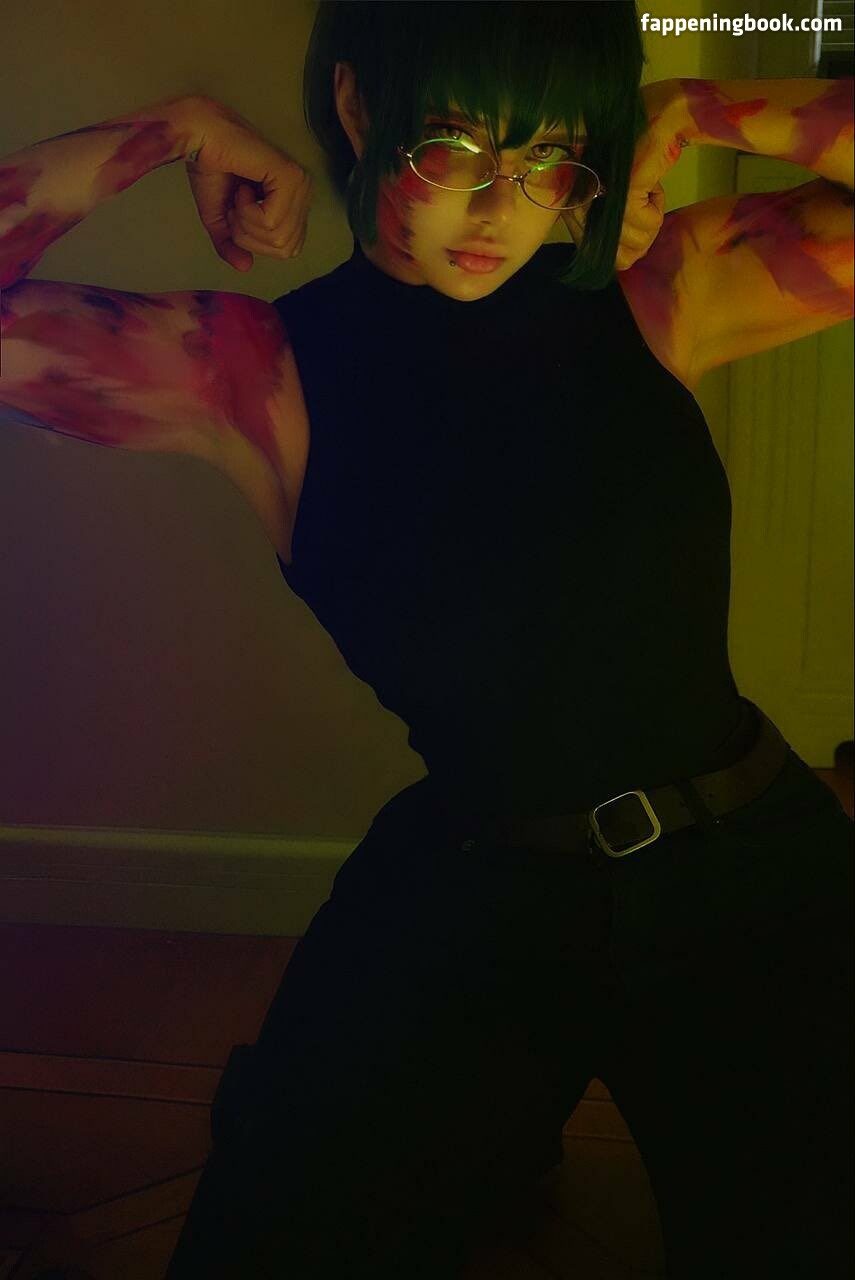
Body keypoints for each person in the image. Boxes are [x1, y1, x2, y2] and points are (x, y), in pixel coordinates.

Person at [1, 3, 852, 1276]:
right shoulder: (253, 372)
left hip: (752, 864)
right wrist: (171, 130)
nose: (504, 206)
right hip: (479, 869)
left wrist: (694, 106)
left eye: (553, 157)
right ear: (357, 106)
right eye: (455, 147)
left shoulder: (658, 290)